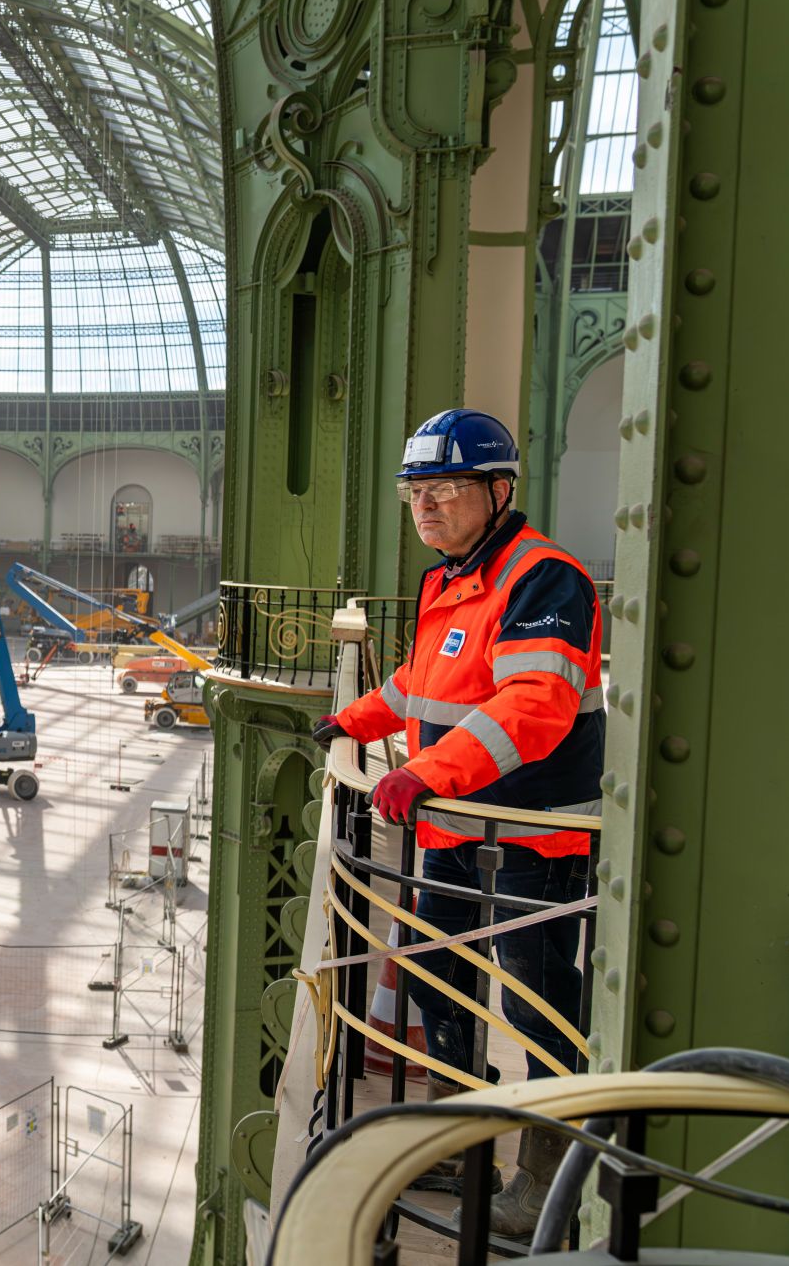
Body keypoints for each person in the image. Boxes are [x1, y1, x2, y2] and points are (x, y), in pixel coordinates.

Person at [313, 409, 601, 1236]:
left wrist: (424, 771)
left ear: (499, 490)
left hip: (531, 839)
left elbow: (533, 707)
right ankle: (454, 1142)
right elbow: (420, 685)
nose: (426, 506)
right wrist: (358, 722)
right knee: (447, 987)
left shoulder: (545, 579)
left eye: (445, 488)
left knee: (540, 1009)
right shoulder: (449, 579)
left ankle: (546, 1184)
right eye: (416, 491)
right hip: (452, 835)